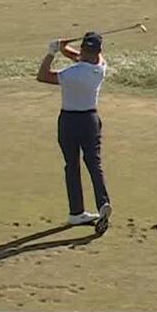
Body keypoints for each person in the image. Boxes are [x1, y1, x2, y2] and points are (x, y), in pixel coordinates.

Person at [36, 32, 112, 231]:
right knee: (94, 163)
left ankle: (76, 213)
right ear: (99, 51)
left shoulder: (73, 73)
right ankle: (103, 202)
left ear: (84, 50)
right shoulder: (101, 66)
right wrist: (64, 47)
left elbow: (42, 76)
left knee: (72, 165)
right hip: (91, 120)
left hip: (69, 121)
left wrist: (52, 51)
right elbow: (81, 58)